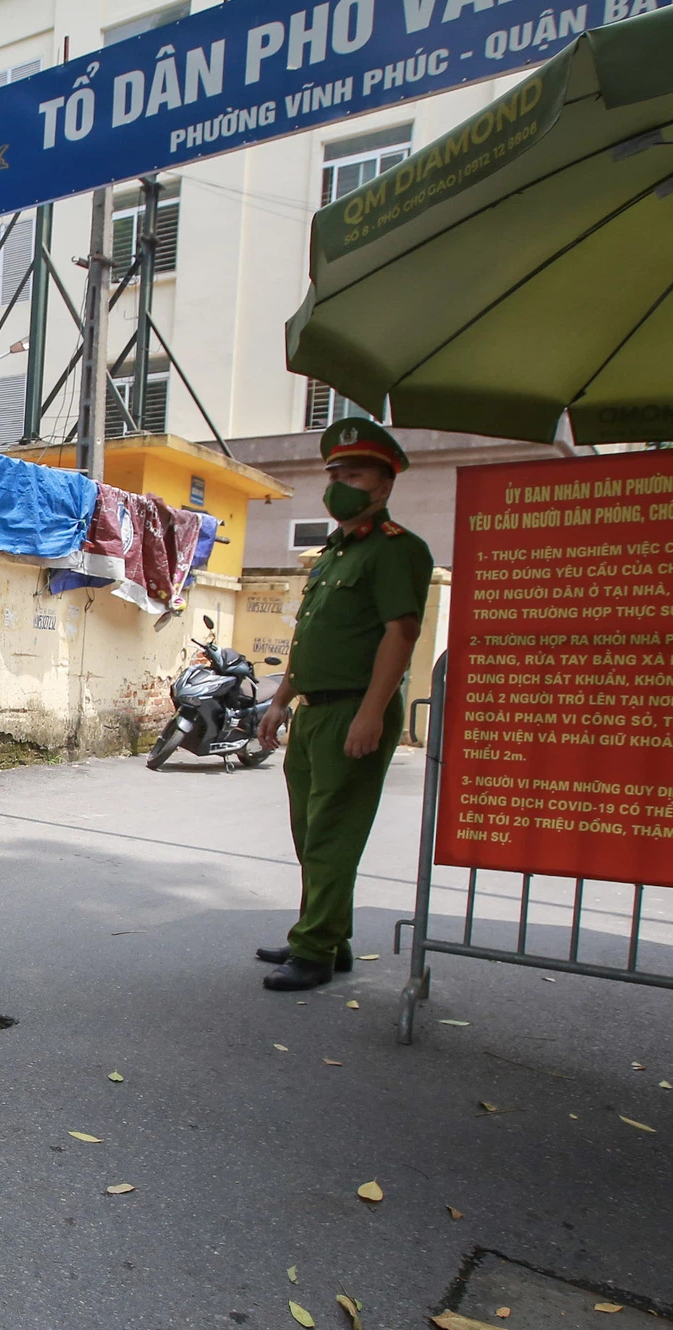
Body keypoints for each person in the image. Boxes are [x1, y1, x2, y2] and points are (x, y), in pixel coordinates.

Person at [252, 418, 434, 992]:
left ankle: (314, 952)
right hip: (313, 708)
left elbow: (399, 636)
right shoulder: (332, 555)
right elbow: (311, 638)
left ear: (383, 485)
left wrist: (372, 713)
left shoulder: (397, 551)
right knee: (310, 831)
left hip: (355, 708)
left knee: (333, 832)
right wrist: (280, 701)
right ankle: (329, 933)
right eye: (334, 473)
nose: (338, 484)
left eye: (352, 473)